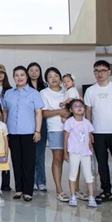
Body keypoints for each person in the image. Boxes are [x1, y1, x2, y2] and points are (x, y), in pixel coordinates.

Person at [84, 60, 112, 206]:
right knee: (101, 163)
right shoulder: (90, 90)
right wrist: (89, 132)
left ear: (109, 72)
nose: (100, 74)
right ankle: (106, 191)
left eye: (103, 70)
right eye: (96, 71)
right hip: (98, 133)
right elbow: (88, 112)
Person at [3, 66, 43, 202]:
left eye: (22, 75)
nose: (19, 78)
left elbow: (38, 113)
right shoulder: (9, 93)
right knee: (16, 161)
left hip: (28, 132)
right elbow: (5, 112)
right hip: (12, 132)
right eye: (16, 75)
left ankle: (28, 191)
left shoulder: (34, 93)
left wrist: (37, 130)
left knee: (28, 162)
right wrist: (4, 130)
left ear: (26, 77)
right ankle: (19, 189)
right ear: (13, 77)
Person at [40, 67, 71, 202]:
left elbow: (77, 106)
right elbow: (43, 113)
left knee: (75, 159)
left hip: (72, 129)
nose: (54, 78)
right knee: (58, 159)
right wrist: (59, 112)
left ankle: (76, 190)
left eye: (56, 76)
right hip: (55, 129)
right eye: (50, 76)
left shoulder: (67, 91)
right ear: (46, 80)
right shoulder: (44, 93)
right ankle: (59, 189)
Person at [64, 99, 97, 208]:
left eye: (81, 105)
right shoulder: (69, 122)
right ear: (71, 110)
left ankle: (91, 197)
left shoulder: (87, 122)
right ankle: (73, 196)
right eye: (76, 106)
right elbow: (65, 138)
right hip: (74, 152)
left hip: (85, 152)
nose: (79, 108)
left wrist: (90, 151)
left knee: (88, 175)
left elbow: (90, 138)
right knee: (73, 174)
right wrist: (65, 152)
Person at [0, 64, 12, 192]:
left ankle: (5, 183)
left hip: (7, 126)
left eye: (2, 73)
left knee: (5, 154)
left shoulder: (10, 90)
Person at [27, 62, 48, 193]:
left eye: (36, 70)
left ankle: (41, 181)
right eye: (31, 70)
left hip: (42, 122)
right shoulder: (24, 87)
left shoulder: (45, 88)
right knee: (30, 154)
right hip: (29, 122)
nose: (34, 73)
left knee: (40, 153)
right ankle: (33, 180)